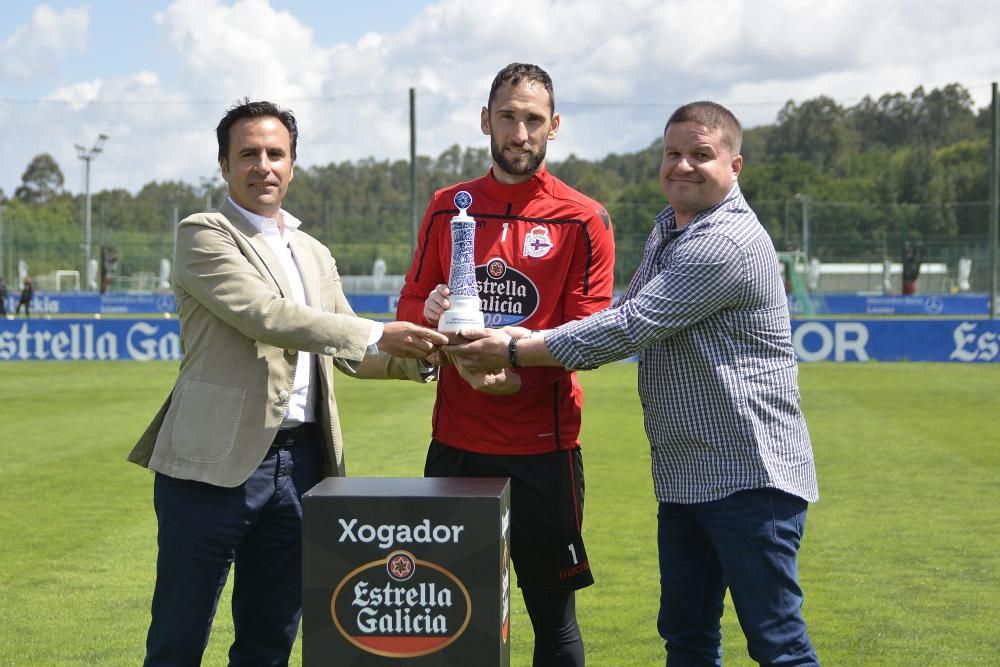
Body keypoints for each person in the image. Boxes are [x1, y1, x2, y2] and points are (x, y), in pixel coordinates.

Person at [449, 101, 821, 666]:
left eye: (702, 155)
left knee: (777, 643)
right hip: (688, 474)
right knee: (688, 636)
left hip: (749, 476)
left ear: (735, 166)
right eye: (673, 154)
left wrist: (513, 348)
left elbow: (628, 326)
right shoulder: (672, 228)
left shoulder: (724, 242)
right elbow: (626, 312)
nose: (683, 167)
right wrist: (512, 334)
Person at [128, 99, 448, 666]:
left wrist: (427, 350)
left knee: (271, 642)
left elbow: (353, 355)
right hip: (212, 466)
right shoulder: (204, 233)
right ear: (224, 165)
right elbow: (266, 315)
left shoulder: (314, 252)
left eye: (276, 154)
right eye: (247, 154)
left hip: (302, 465)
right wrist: (379, 331)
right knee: (178, 637)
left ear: (293, 166)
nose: (263, 166)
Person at [396, 63, 615, 666]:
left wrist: (518, 369)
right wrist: (431, 310)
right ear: (486, 120)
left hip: (543, 448)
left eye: (534, 120)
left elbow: (590, 334)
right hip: (458, 443)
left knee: (551, 615)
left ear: (555, 126)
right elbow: (411, 304)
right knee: (452, 616)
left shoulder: (582, 218)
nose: (520, 132)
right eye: (509, 117)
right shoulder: (448, 208)